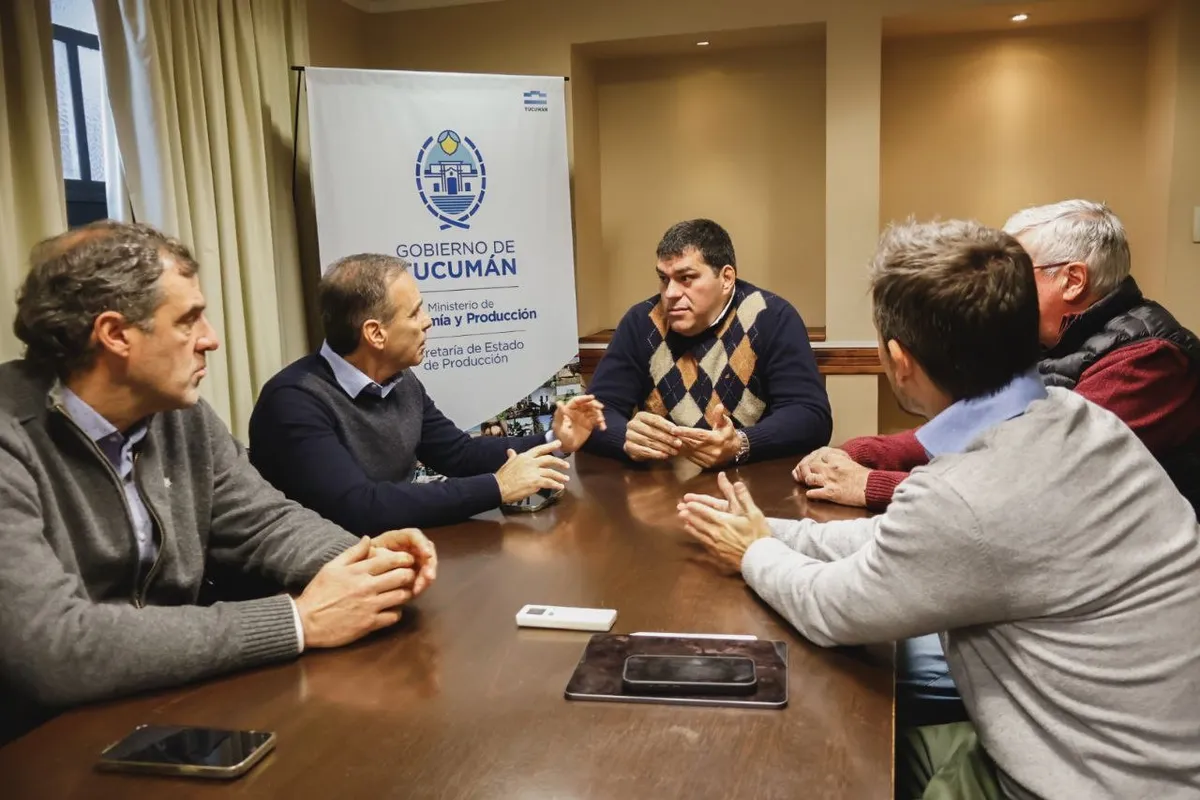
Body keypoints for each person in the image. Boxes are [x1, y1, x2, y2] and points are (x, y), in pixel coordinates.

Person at [679, 220, 1200, 799]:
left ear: (899, 360)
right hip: (1140, 751)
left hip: (1103, 783)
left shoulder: (968, 495)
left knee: (818, 752)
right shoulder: (1076, 417)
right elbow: (908, 539)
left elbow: (832, 607)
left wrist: (754, 552)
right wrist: (771, 531)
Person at [0, 222, 437, 744]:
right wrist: (295, 621)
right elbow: (53, 648)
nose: (210, 338)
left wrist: (366, 562)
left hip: (162, 706)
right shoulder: (11, 438)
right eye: (188, 320)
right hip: (37, 743)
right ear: (115, 335)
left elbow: (264, 522)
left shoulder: (181, 416)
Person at [796, 200, 1200, 514]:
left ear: (1073, 280)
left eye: (1017, 272)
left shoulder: (1150, 359)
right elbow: (968, 428)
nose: (999, 286)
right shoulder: (1049, 341)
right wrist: (861, 452)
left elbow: (1030, 484)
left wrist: (871, 484)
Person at [249, 254, 606, 534]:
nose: (428, 321)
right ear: (375, 334)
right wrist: (497, 487)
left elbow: (459, 454)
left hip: (387, 555)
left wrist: (554, 440)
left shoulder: (401, 380)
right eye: (415, 312)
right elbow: (359, 507)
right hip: (312, 581)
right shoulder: (293, 402)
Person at [583, 218, 831, 468]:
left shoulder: (772, 317)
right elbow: (593, 415)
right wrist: (625, 438)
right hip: (662, 483)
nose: (670, 293)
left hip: (752, 480)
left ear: (726, 278)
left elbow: (811, 417)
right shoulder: (641, 323)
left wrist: (740, 444)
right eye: (664, 279)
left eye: (686, 278)